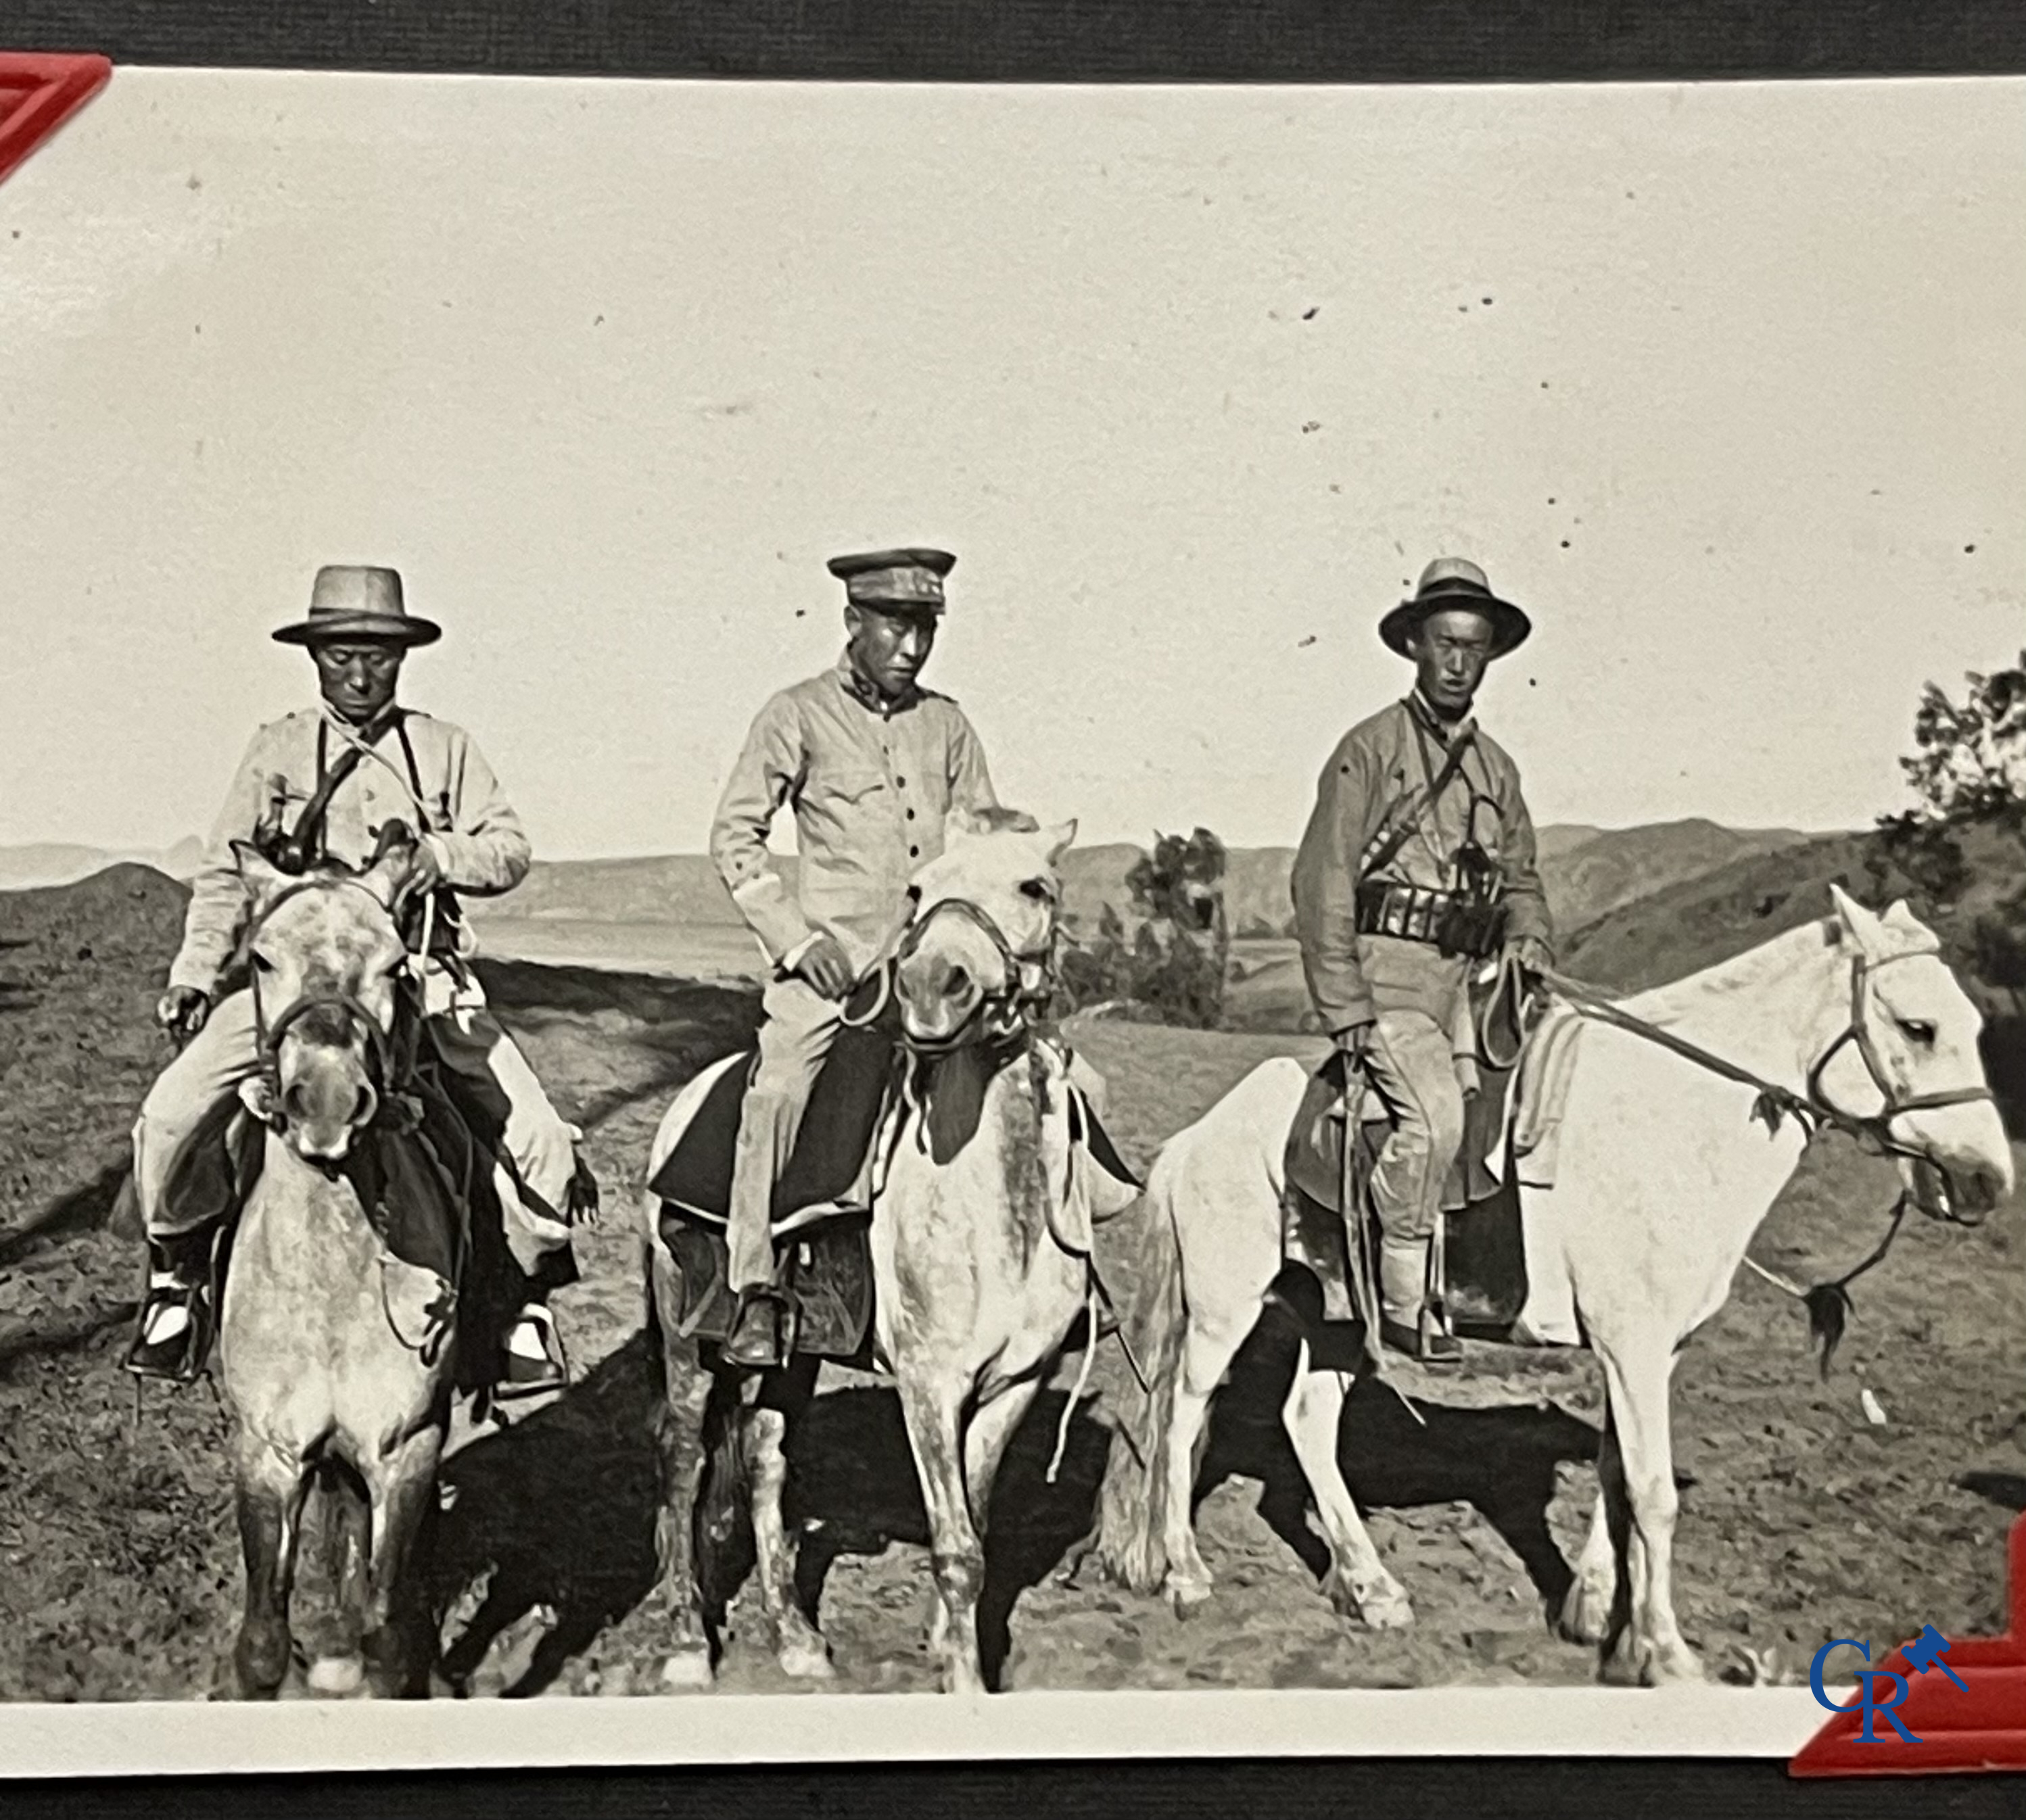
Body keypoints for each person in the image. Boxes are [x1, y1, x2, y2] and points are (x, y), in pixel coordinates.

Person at [123, 565, 585, 1395]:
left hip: (413, 980)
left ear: (402, 659)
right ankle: (178, 1281)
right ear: (316, 658)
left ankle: (521, 1301)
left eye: (377, 656)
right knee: (168, 1115)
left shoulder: (443, 749)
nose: (360, 674)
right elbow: (227, 874)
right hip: (295, 990)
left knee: (543, 1144)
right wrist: (196, 972)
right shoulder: (276, 748)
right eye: (342, 655)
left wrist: (439, 856)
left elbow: (510, 847)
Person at [709, 548, 1000, 1368]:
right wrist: (798, 942)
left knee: (1037, 1084)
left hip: (932, 973)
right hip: (832, 978)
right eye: (895, 626)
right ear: (852, 622)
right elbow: (734, 836)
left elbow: (976, 841)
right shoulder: (795, 714)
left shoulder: (948, 725)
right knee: (777, 1090)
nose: (911, 647)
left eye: (925, 629)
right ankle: (754, 1287)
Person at [1290, 556, 1554, 1364]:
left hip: (1466, 995)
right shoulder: (1367, 749)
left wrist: (1527, 938)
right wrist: (1348, 1012)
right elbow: (1322, 879)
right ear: (1414, 644)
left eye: (1473, 648)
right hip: (1385, 981)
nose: (1457, 662)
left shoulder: (1496, 769)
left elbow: (1521, 878)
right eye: (1443, 642)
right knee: (1434, 1116)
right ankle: (1401, 1300)